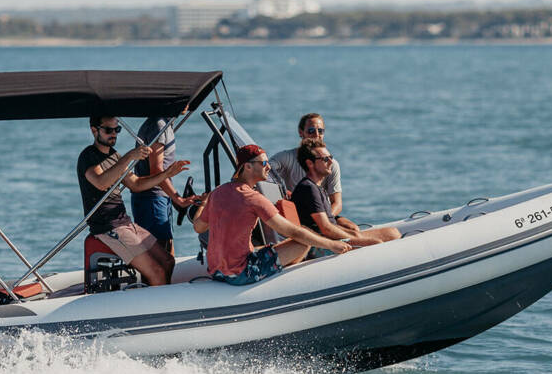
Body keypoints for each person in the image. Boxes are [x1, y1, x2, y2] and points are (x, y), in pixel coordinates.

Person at [193, 144, 350, 285]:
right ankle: (283, 283)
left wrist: (204, 203)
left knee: (265, 246)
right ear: (247, 166)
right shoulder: (253, 198)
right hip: (242, 273)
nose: (269, 167)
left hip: (216, 271)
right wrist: (332, 244)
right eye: (264, 163)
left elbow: (198, 227)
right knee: (302, 242)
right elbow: (292, 231)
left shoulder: (217, 193)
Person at [78, 116, 190, 286]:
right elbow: (101, 183)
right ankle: (159, 311)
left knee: (168, 261)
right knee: (157, 271)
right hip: (107, 226)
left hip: (124, 221)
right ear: (94, 130)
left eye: (117, 130)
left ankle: (161, 299)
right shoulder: (88, 156)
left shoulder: (114, 156)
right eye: (109, 130)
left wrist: (166, 175)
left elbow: (136, 184)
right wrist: (130, 156)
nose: (113, 134)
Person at [292, 141, 401, 246]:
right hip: (326, 245)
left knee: (393, 233)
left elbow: (330, 225)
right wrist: (355, 239)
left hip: (334, 238)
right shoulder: (308, 188)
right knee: (381, 240)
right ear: (310, 163)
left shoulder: (316, 187)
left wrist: (352, 233)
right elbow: (326, 229)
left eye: (331, 157)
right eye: (325, 159)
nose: (330, 162)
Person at [269, 112, 360, 235]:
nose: (316, 134)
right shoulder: (286, 157)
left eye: (320, 131)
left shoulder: (331, 164)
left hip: (323, 214)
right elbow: (265, 170)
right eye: (311, 130)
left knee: (353, 228)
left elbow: (337, 203)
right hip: (301, 216)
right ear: (301, 132)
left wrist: (325, 219)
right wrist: (282, 189)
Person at [130, 116, 198, 254]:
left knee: (166, 254)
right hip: (152, 200)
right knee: (162, 258)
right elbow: (157, 170)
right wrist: (179, 199)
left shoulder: (164, 124)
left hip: (157, 198)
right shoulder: (159, 126)